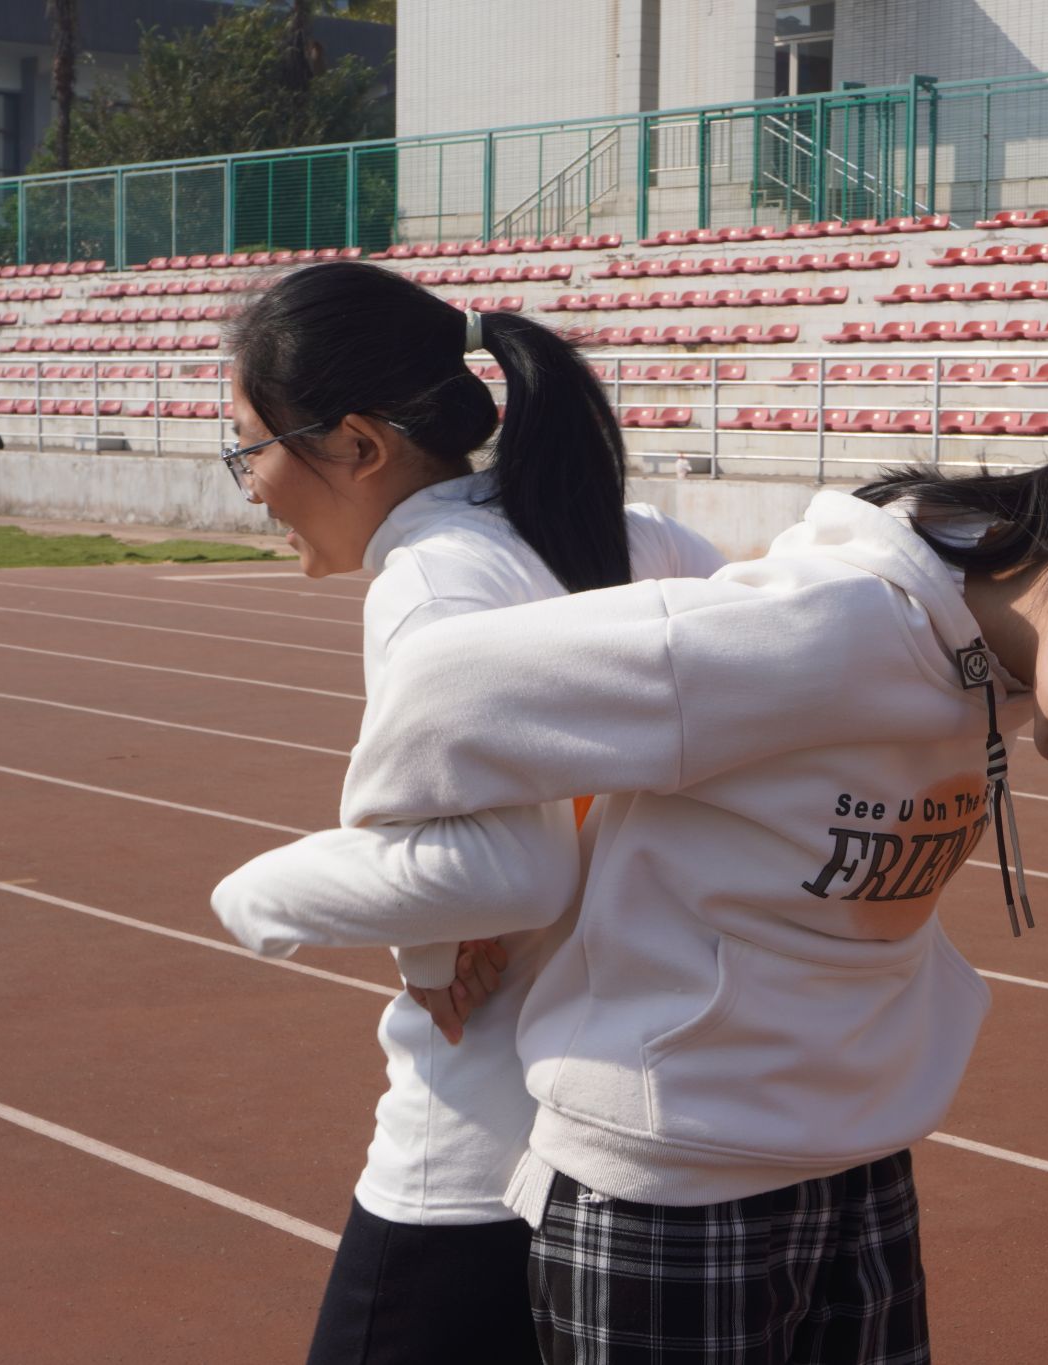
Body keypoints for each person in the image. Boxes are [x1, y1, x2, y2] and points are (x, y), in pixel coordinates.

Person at [284, 439, 1048, 1363]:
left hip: (853, 1162)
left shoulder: (996, 657)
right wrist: (436, 924)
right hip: (671, 1185)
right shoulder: (820, 625)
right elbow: (444, 691)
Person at [208, 260, 723, 1365]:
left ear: (358, 445)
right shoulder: (643, 538)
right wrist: (429, 932)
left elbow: (505, 869)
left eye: (248, 445)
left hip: (473, 1151)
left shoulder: (431, 588)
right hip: (635, 1130)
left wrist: (255, 895)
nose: (248, 485)